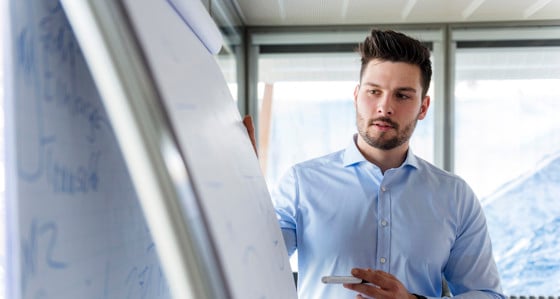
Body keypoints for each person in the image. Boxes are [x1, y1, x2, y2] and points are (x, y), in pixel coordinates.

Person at [246, 29, 505, 299]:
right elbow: (253, 259)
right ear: (357, 95)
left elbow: (487, 294)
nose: (384, 107)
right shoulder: (301, 183)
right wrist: (241, 183)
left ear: (423, 107)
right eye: (374, 91)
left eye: (402, 96)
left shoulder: (455, 196)